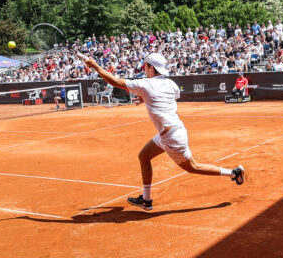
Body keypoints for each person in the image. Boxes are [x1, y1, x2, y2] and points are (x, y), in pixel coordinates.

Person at [81, 52, 245, 211]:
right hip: (172, 132)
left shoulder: (146, 84)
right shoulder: (171, 84)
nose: (144, 69)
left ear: (152, 68)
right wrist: (145, 96)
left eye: (146, 66)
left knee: (193, 167)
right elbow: (165, 97)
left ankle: (233, 173)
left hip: (172, 137)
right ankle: (146, 200)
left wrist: (95, 66)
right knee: (143, 157)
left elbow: (115, 81)